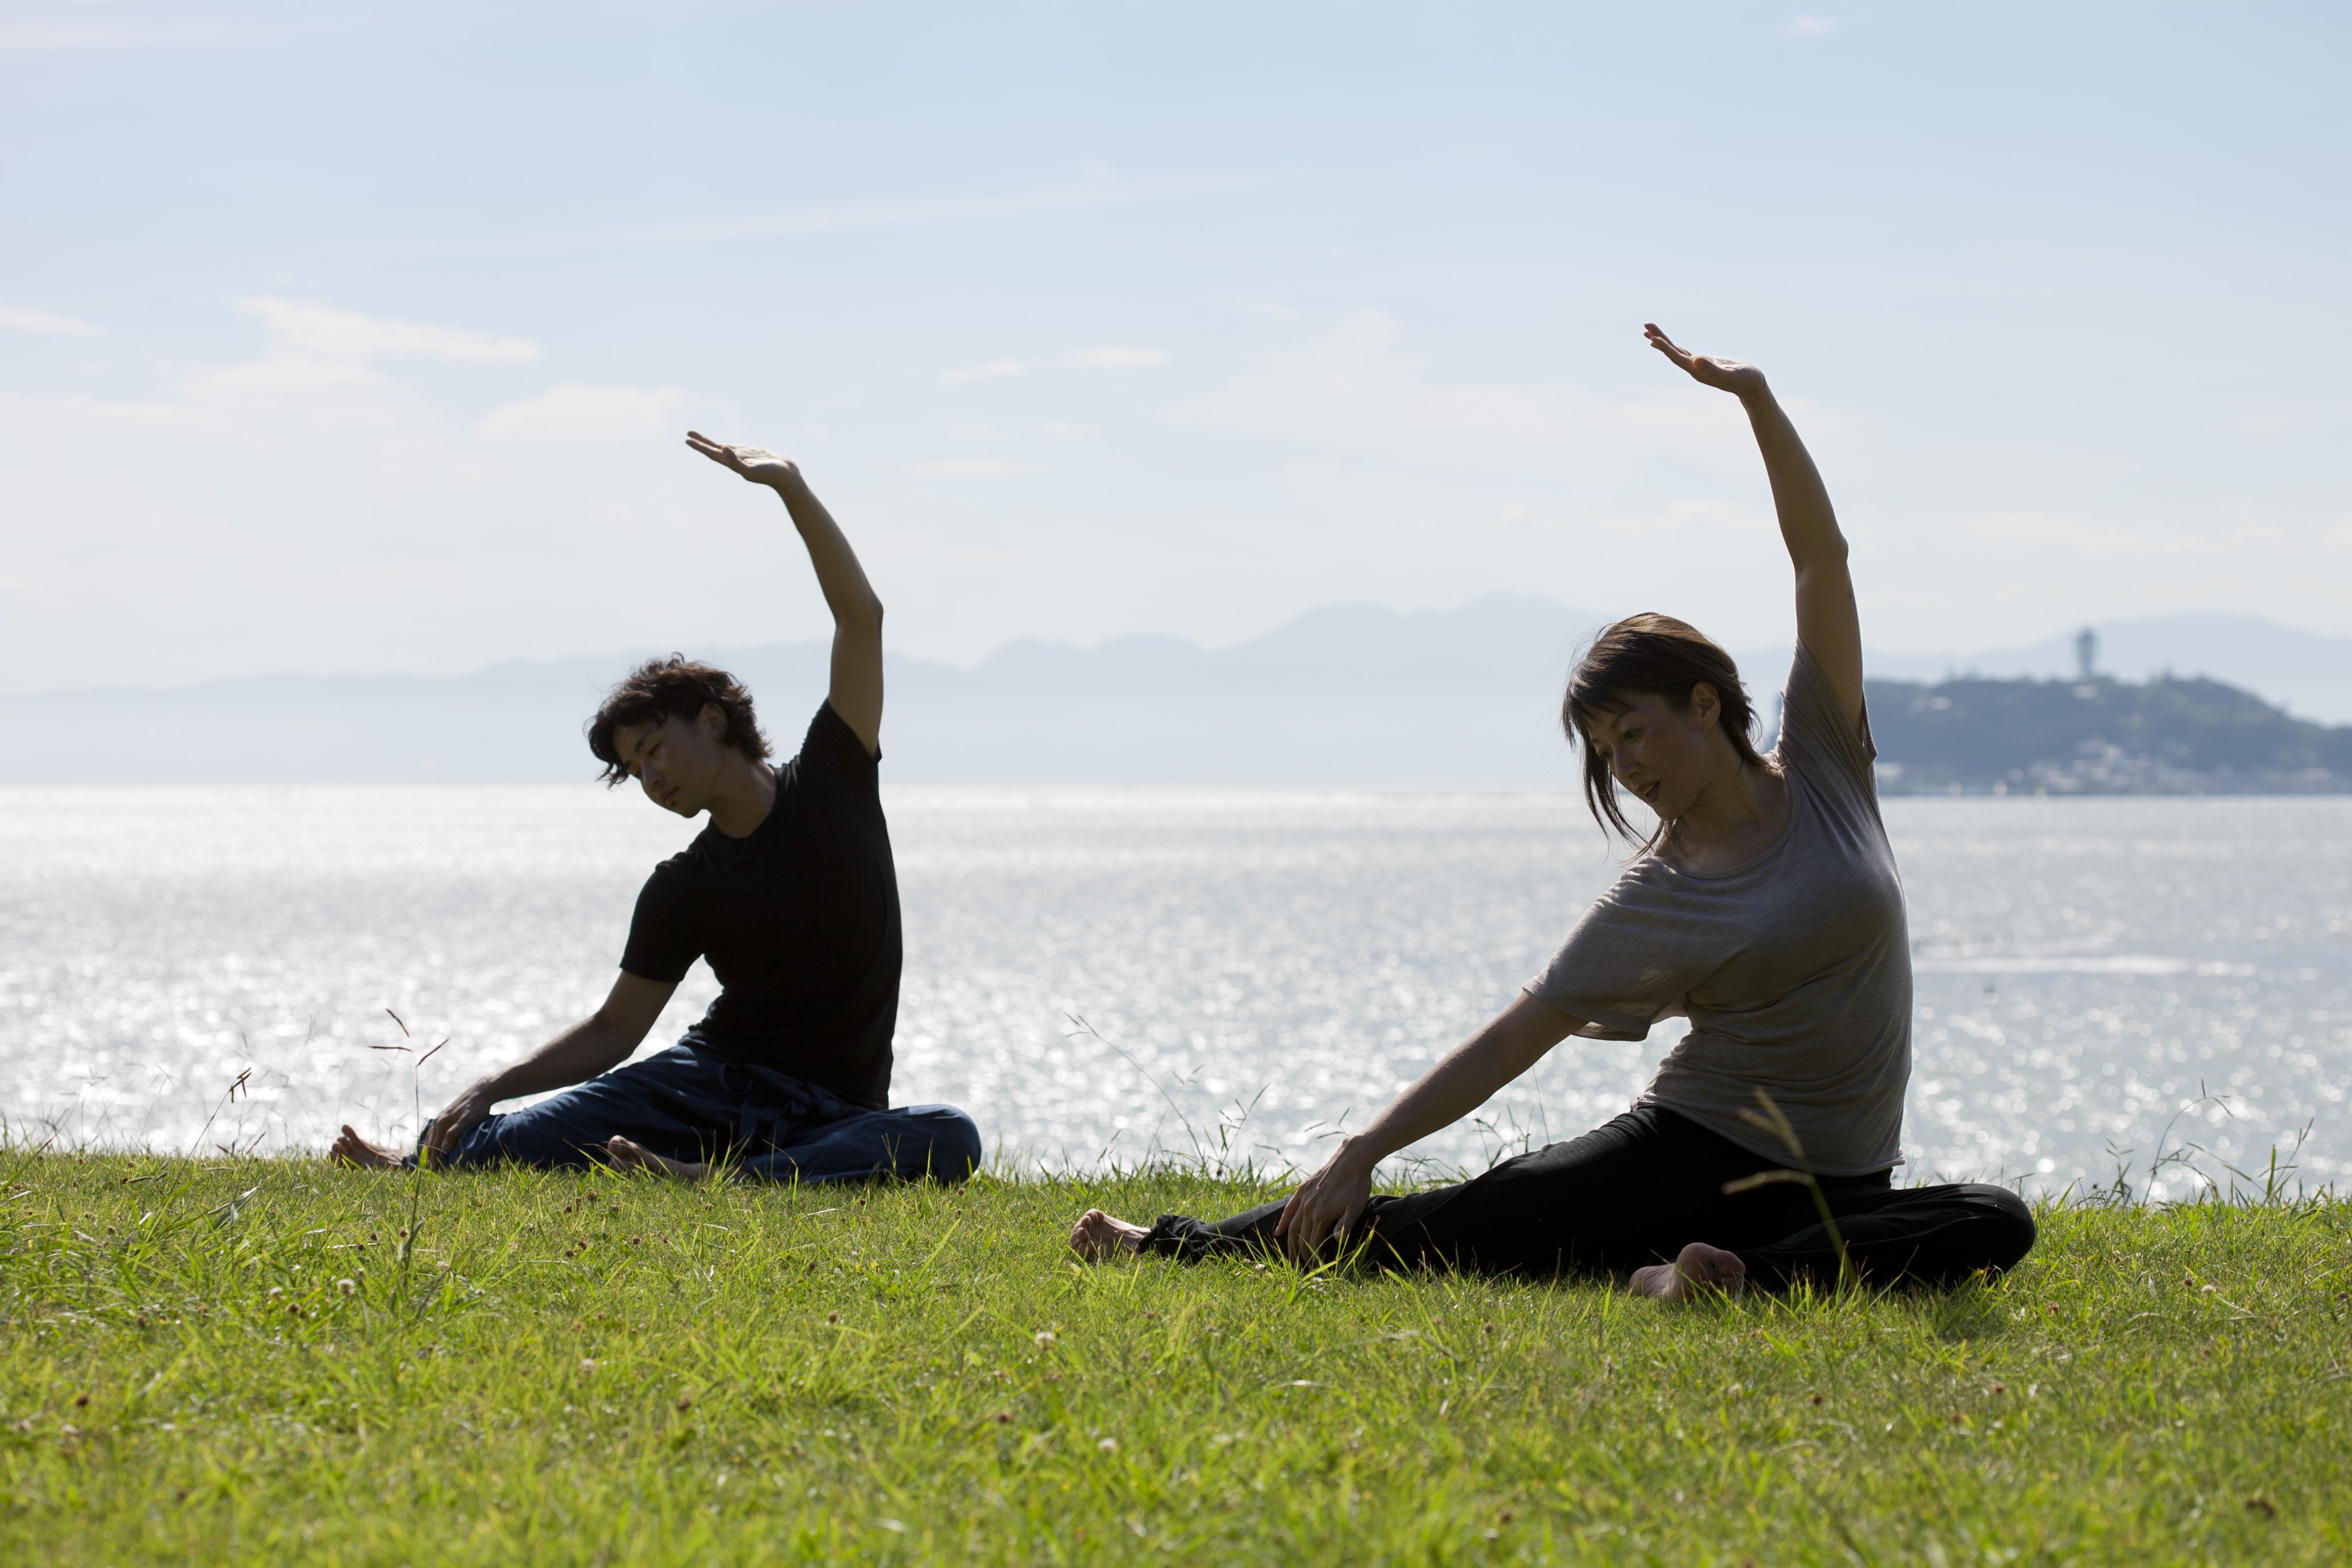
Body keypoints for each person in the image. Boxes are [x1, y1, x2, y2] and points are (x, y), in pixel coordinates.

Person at [1069, 326, 2034, 1298]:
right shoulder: (1659, 893)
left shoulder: (1826, 765)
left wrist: (1756, 401)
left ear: (1706, 703)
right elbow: (1512, 1039)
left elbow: (1821, 560)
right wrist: (1362, 1149)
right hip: (1682, 1156)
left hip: (1846, 1183)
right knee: (1451, 1227)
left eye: (1635, 733)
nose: (1625, 768)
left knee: (1994, 1217)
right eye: (1606, 751)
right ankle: (1163, 1246)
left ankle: (1718, 1279)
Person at [331, 434, 982, 1186]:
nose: (650, 778)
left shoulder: (834, 778)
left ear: (713, 718)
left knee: (950, 1136)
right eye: (635, 770)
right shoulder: (682, 886)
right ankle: (416, 1165)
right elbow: (615, 1029)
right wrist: (491, 1086)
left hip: (837, 1111)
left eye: (653, 749)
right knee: (497, 1141)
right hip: (705, 1087)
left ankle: (719, 1181)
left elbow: (861, 618)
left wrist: (791, 488)